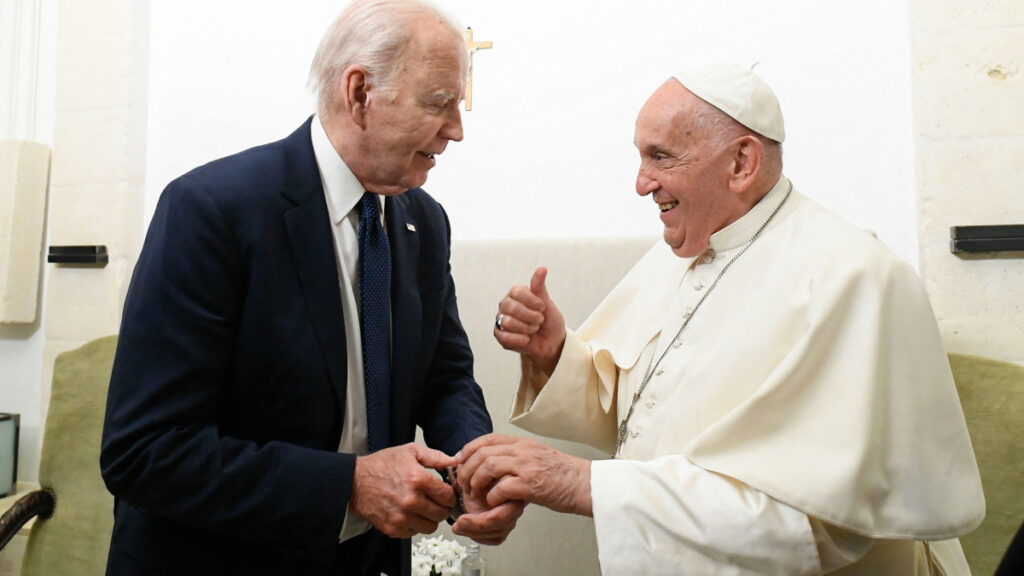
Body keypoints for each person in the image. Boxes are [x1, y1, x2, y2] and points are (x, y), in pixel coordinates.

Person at [456, 64, 985, 575]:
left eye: (660, 157)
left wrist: (580, 483)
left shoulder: (855, 278)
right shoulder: (684, 252)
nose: (641, 183)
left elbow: (819, 524)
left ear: (741, 163)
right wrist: (554, 353)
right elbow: (645, 416)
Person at [100, 1, 522, 574]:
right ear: (360, 93)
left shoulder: (424, 221)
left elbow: (444, 377)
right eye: (439, 103)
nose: (457, 130)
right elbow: (144, 451)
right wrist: (349, 486)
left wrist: (474, 467)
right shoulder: (211, 211)